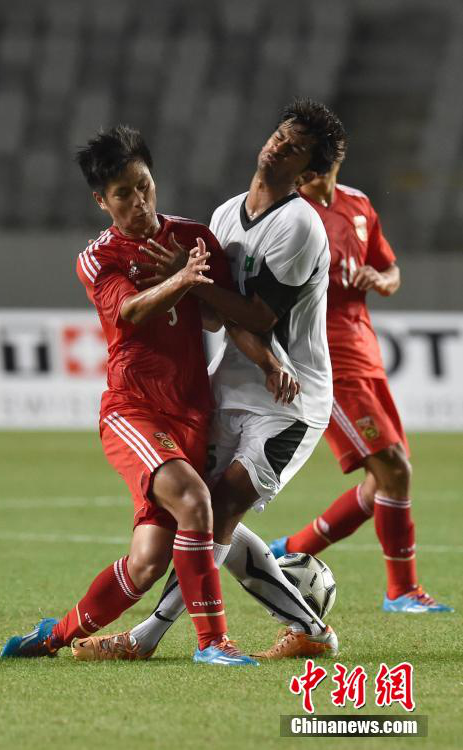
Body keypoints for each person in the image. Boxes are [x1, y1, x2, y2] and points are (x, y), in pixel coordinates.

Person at [0, 125, 297, 667]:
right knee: (195, 501)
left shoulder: (195, 237)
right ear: (101, 200)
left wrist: (269, 360)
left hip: (191, 413)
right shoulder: (99, 257)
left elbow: (219, 317)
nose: (138, 202)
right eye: (122, 194)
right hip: (133, 410)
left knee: (147, 562)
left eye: (143, 186)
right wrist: (182, 279)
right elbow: (131, 311)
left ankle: (54, 635)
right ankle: (213, 644)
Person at [70, 98, 348, 663]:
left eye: (295, 148)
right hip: (229, 387)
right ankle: (307, 626)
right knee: (201, 514)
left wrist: (185, 280)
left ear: (309, 173)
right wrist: (186, 287)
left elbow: (260, 317)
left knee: (214, 509)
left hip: (288, 402)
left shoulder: (299, 226)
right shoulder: (223, 217)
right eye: (280, 134)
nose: (278, 145)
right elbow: (219, 316)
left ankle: (147, 637)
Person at [269, 153, 453, 614]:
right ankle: (402, 591)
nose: (306, 175)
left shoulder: (358, 205)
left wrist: (382, 280)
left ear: (336, 160)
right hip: (324, 363)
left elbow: (390, 270)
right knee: (394, 471)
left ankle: (287, 550)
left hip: (366, 356)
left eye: (314, 165)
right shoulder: (291, 215)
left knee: (383, 484)